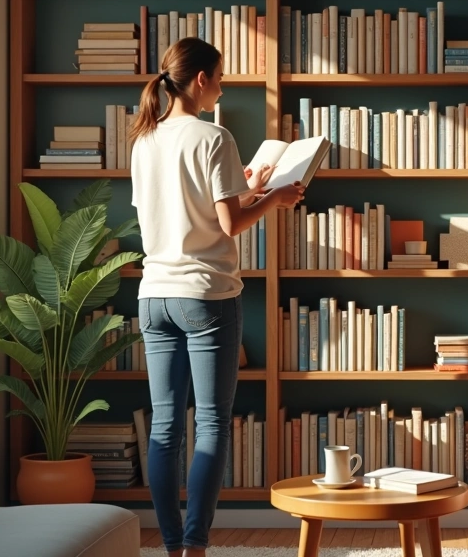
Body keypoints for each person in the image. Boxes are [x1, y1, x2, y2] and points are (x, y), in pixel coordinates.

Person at [129, 36, 303, 557]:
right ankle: (198, 547)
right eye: (220, 78)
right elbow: (227, 225)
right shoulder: (213, 137)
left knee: (164, 428)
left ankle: (169, 545)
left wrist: (250, 185)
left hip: (154, 295)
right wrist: (273, 199)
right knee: (210, 423)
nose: (222, 87)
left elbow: (184, 209)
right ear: (201, 80)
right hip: (205, 295)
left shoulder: (143, 140)